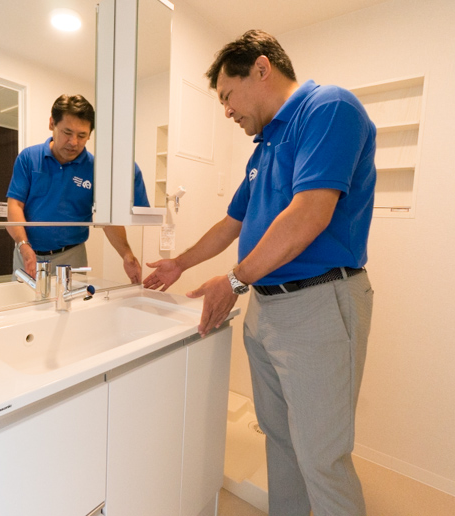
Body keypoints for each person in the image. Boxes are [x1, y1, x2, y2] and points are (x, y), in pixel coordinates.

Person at [142, 30, 376, 516]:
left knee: (322, 457)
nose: (227, 111)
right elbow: (232, 223)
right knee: (280, 439)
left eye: (228, 96)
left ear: (262, 69)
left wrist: (233, 281)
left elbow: (310, 214)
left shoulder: (329, 108)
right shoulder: (264, 146)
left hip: (318, 303)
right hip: (266, 307)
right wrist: (180, 263)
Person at [6, 94, 149, 282]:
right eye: (67, 132)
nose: (73, 142)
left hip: (71, 256)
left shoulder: (95, 169)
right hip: (27, 251)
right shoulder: (28, 158)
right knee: (23, 300)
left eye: (82, 135)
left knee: (74, 301)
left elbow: (107, 220)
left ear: (89, 134)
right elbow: (15, 205)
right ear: (52, 124)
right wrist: (23, 245)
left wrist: (127, 255)